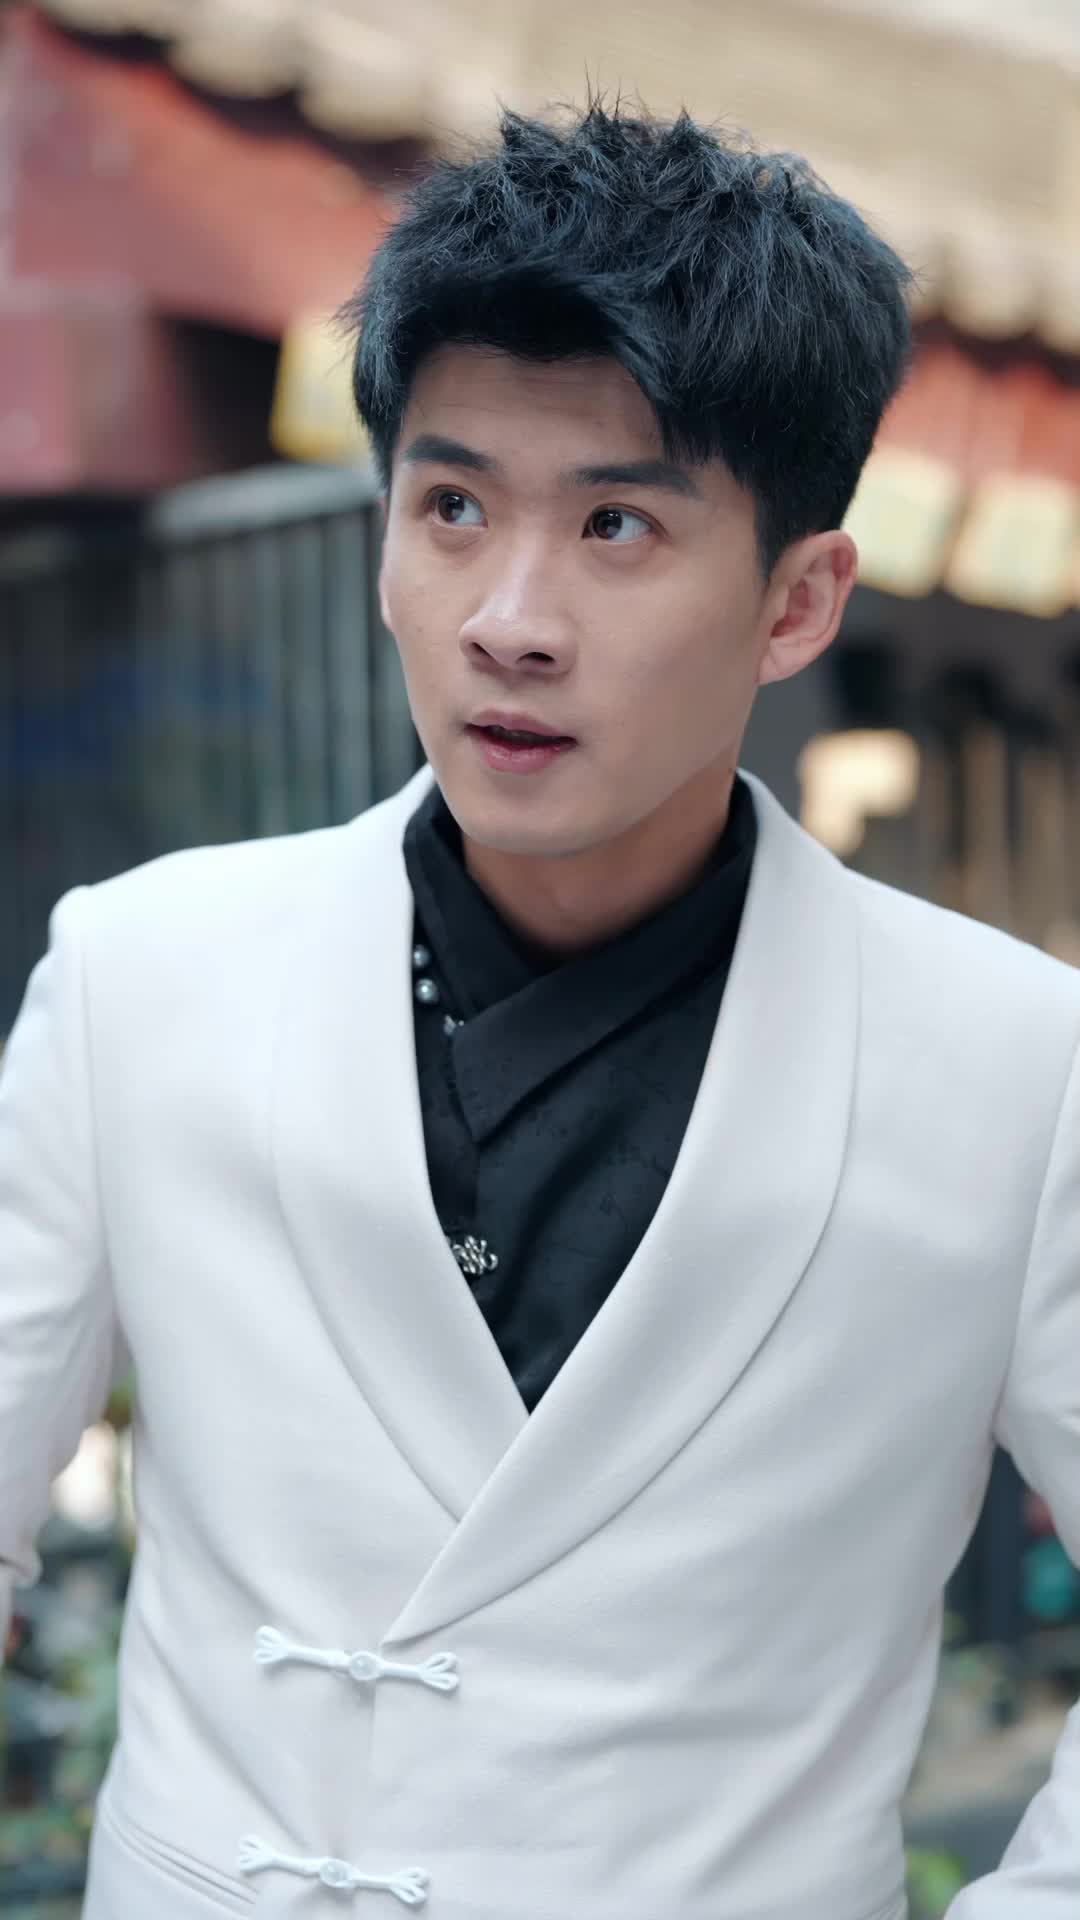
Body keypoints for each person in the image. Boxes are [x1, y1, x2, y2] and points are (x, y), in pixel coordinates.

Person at [1, 98, 1077, 1920]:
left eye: (618, 525)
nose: (510, 617)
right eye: (452, 507)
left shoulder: (1017, 1067)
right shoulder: (143, 976)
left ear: (799, 601)